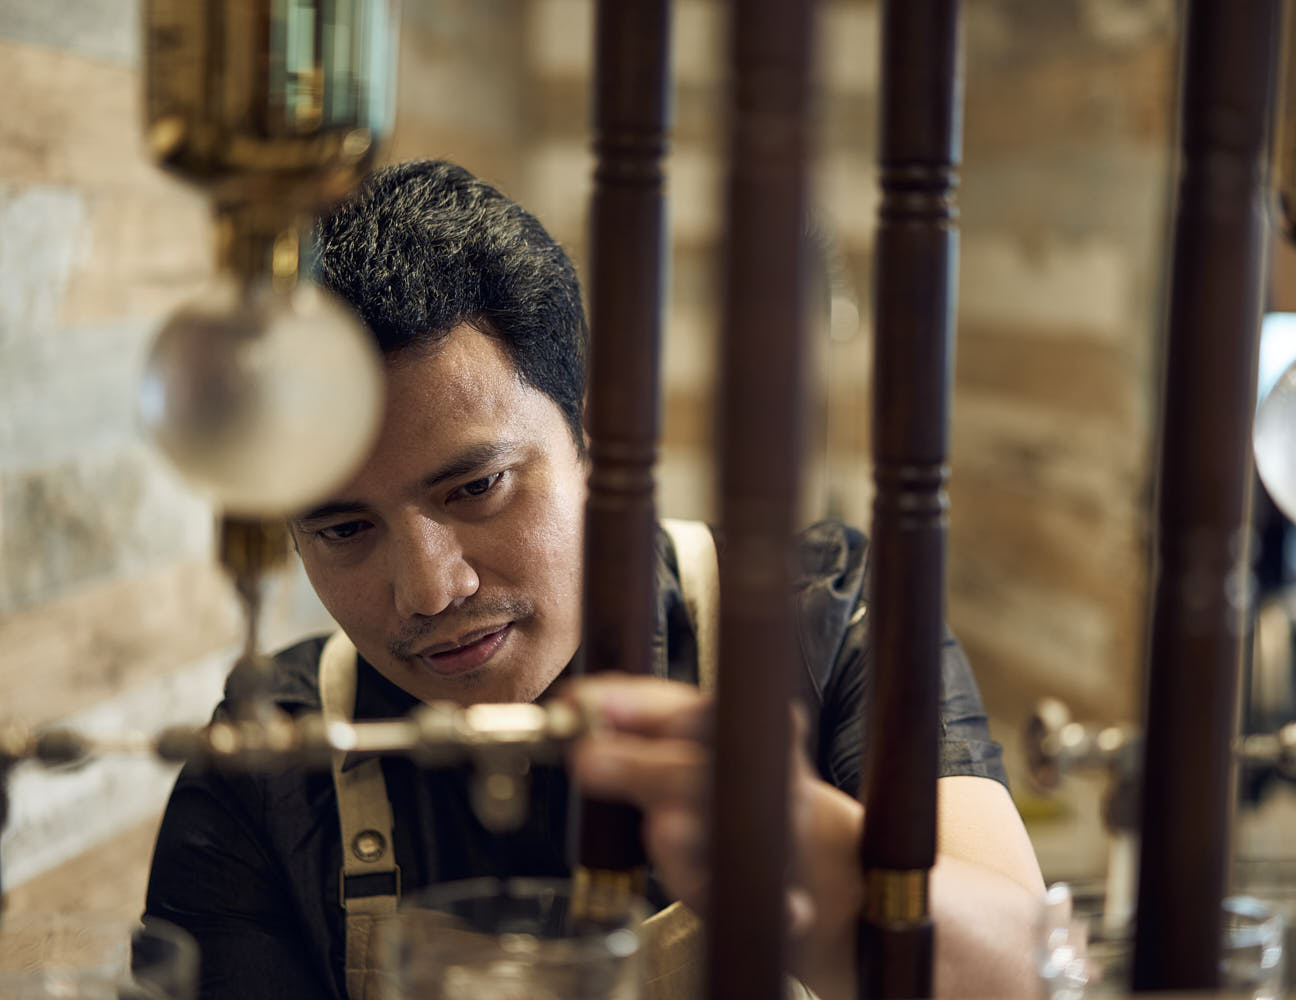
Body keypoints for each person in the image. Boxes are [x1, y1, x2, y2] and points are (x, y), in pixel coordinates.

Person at [143, 159, 1044, 1000]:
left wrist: (835, 887)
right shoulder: (270, 757)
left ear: (595, 439)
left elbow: (1028, 965)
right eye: (343, 527)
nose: (429, 590)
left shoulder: (823, 616)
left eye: (477, 487)